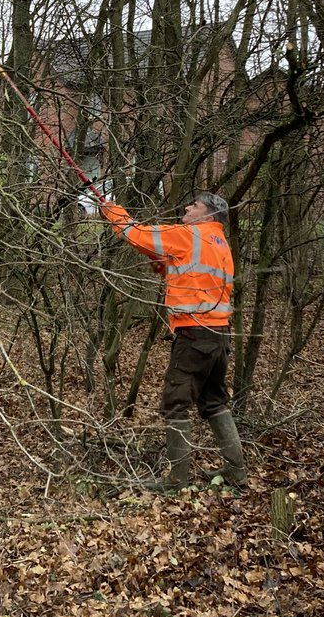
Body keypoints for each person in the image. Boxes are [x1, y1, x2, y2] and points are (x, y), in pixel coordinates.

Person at [101, 191, 246, 489]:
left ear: (207, 215)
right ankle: (236, 471)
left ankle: (175, 480)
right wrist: (158, 259)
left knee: (175, 403)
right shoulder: (220, 245)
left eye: (194, 205)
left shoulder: (188, 235)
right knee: (214, 401)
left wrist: (110, 209)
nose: (187, 207)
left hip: (195, 334)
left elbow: (135, 233)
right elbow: (179, 270)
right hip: (219, 335)